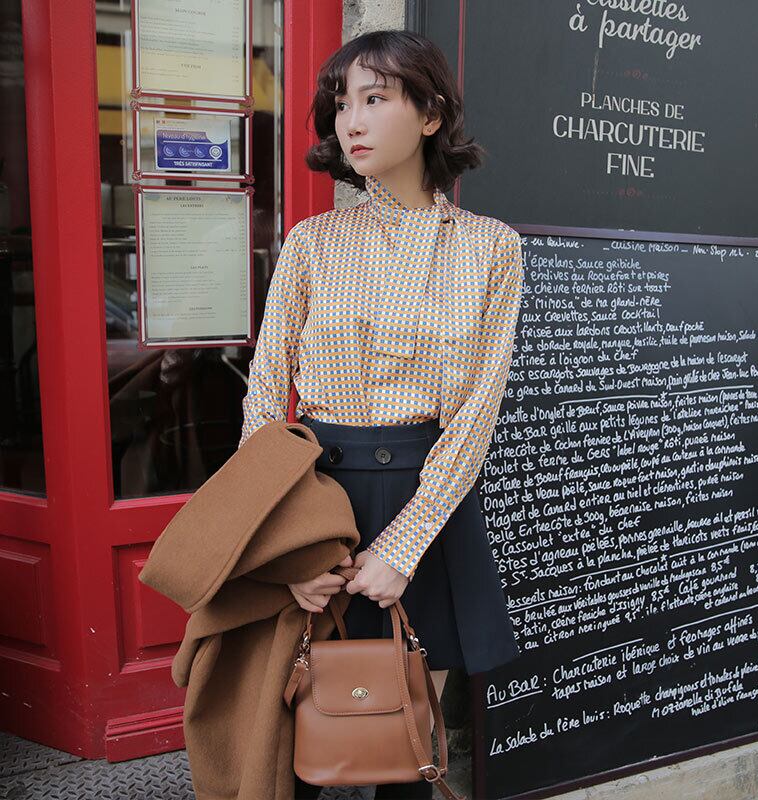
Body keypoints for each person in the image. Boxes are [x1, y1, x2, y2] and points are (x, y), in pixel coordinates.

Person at [237, 29, 524, 800]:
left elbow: (477, 413)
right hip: (315, 500)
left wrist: (403, 546)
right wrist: (287, 546)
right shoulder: (312, 243)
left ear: (430, 114)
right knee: (292, 737)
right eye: (340, 104)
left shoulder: (491, 249)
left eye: (374, 98)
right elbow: (265, 396)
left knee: (401, 742)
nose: (351, 122)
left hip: (426, 501)